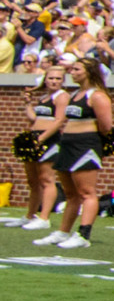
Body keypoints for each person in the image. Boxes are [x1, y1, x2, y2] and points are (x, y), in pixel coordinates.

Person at [38, 57, 112, 250]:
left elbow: (106, 126)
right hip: (67, 145)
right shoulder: (75, 94)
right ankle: (63, 231)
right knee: (70, 193)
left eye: (76, 69)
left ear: (88, 72)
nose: (72, 72)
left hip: (85, 145)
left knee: (87, 192)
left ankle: (83, 234)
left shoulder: (97, 96)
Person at [16, 65, 62, 235]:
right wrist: (28, 103)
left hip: (47, 140)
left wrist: (41, 139)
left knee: (46, 179)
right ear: (45, 80)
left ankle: (44, 218)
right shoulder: (44, 97)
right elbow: (34, 119)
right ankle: (30, 215)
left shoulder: (61, 96)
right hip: (34, 138)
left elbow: (59, 121)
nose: (54, 81)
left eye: (58, 78)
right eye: (51, 78)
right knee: (33, 180)